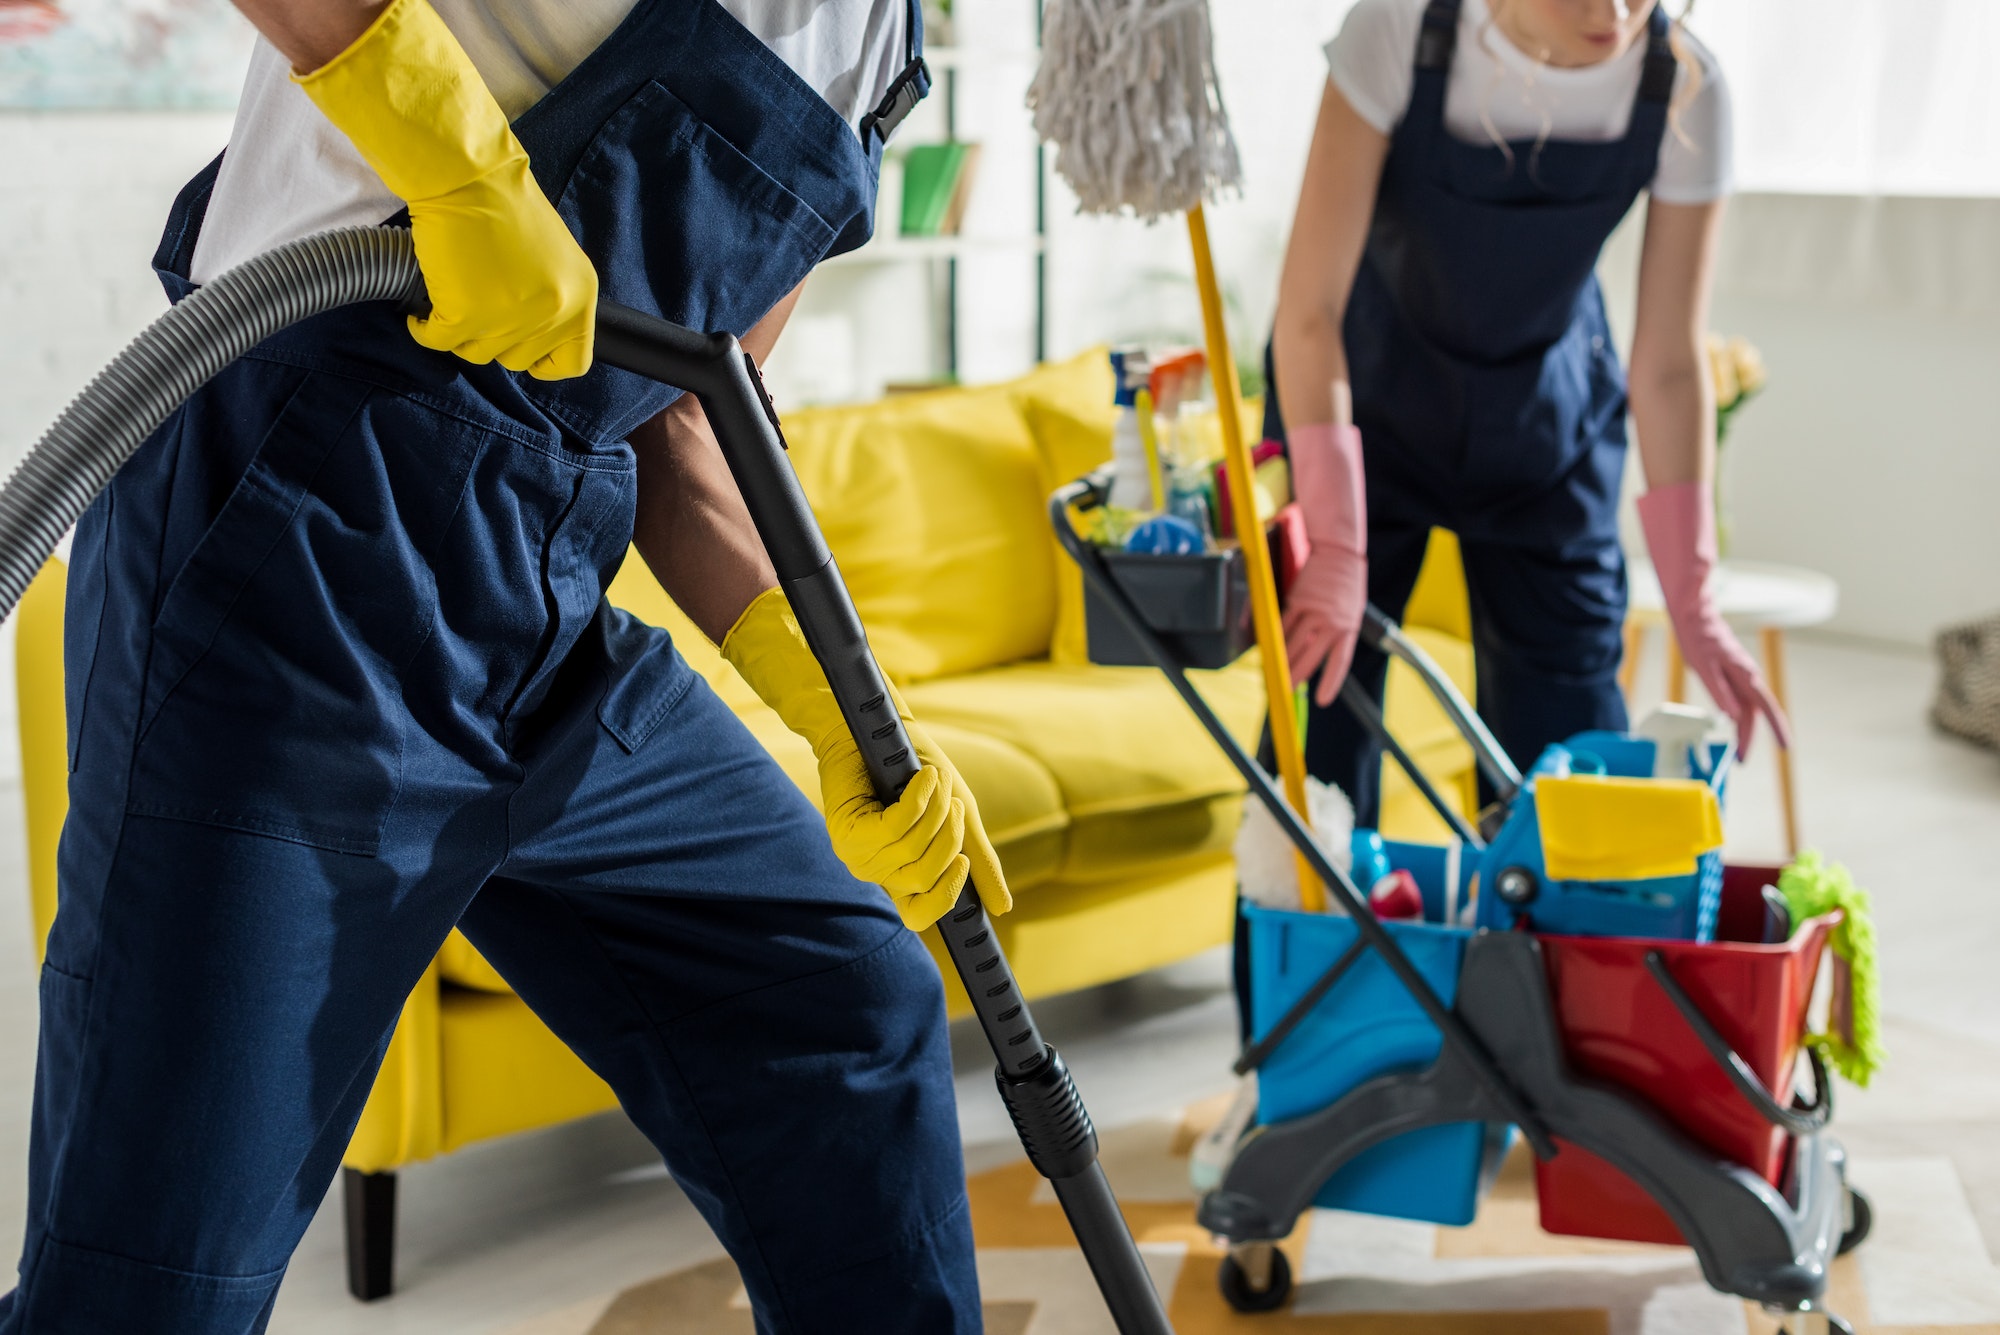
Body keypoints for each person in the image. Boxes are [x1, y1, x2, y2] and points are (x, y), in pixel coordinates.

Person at [2, 1, 1004, 1330]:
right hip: (290, 567)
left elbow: (687, 412)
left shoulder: (874, 42)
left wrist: (830, 693)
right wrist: (453, 159)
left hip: (544, 591)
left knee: (839, 1002)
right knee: (152, 1282)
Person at [1268, 0, 1790, 826]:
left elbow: (1665, 362)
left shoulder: (1686, 84)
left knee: (1568, 780)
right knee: (1322, 735)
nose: (1612, 12)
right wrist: (1334, 540)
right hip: (1363, 420)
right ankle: (1317, 951)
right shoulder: (1400, 30)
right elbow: (1307, 315)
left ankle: (1547, 957)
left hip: (1548, 441)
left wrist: (1693, 590)